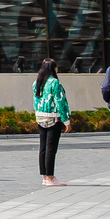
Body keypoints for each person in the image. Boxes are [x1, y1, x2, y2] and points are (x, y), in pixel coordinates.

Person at [31, 58, 69, 186]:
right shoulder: (54, 83)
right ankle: (51, 177)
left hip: (40, 117)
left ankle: (44, 176)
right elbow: (60, 102)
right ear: (53, 68)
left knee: (43, 147)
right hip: (53, 118)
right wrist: (66, 120)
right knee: (51, 148)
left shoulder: (36, 82)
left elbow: (35, 101)